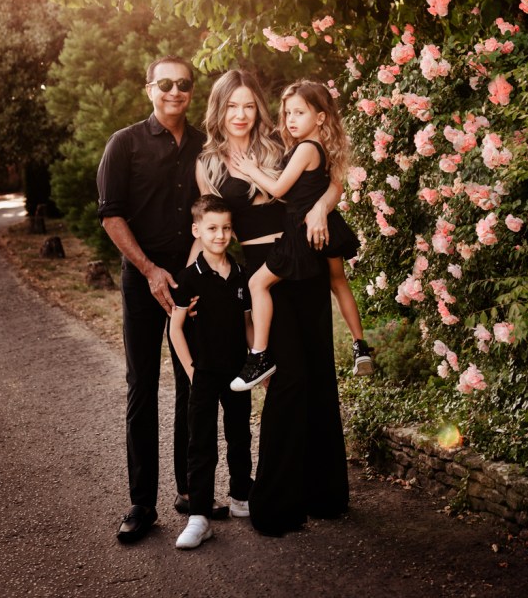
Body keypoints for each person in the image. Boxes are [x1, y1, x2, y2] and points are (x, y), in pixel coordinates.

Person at [195, 69, 349, 536]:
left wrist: (324, 205)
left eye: (248, 106)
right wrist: (198, 281)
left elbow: (330, 177)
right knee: (289, 379)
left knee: (320, 370)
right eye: (232, 106)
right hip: (265, 266)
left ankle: (325, 495)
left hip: (304, 257)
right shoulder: (210, 163)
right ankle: (277, 504)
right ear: (219, 110)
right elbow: (210, 228)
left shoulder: (279, 144)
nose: (241, 115)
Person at [97, 55, 214, 544]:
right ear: (149, 88)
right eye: (165, 83)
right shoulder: (123, 145)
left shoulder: (207, 145)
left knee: (193, 383)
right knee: (142, 387)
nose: (174, 91)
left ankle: (191, 494)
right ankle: (141, 504)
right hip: (144, 281)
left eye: (183, 84)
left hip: (193, 278)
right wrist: (149, 271)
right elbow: (111, 216)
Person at [230, 79, 373, 390]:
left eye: (299, 113)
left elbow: (280, 189)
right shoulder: (323, 147)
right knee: (338, 282)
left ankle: (260, 356)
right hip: (327, 227)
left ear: (320, 117)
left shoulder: (305, 148)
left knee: (257, 282)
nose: (291, 120)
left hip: (300, 233)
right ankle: (360, 344)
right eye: (287, 113)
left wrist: (251, 169)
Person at [170, 195, 254, 550]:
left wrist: (255, 360)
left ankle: (240, 497)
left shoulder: (240, 273)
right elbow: (175, 329)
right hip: (203, 372)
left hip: (237, 370)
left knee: (240, 435)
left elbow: (248, 324)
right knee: (201, 443)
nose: (220, 235)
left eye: (226, 228)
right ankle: (199, 516)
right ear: (197, 230)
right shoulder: (189, 279)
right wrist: (191, 370)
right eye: (212, 229)